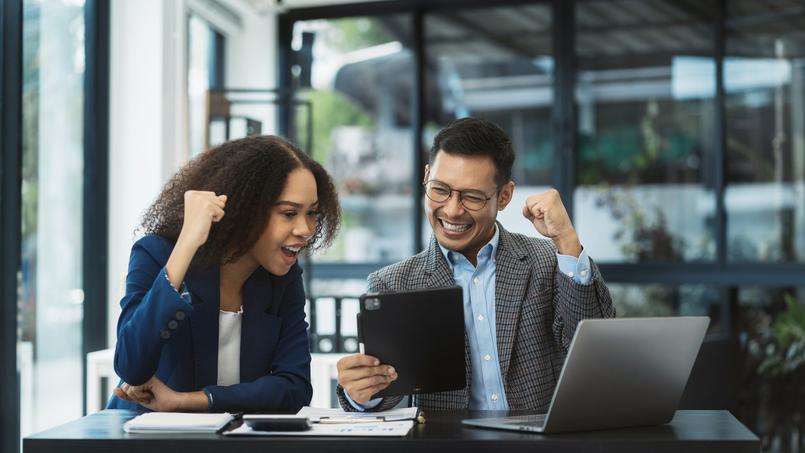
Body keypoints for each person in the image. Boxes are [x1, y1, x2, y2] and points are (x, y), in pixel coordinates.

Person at [336, 117, 615, 412]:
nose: (453, 210)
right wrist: (363, 392)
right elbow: (388, 391)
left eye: (471, 196)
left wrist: (567, 240)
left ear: (504, 196)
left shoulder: (548, 261)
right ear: (427, 175)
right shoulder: (392, 284)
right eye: (440, 190)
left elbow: (599, 355)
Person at [107, 135, 340, 413]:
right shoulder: (155, 253)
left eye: (312, 213)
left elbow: (294, 389)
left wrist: (188, 401)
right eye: (289, 213)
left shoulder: (283, 279)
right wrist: (187, 244)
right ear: (246, 210)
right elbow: (131, 365)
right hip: (144, 440)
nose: (305, 229)